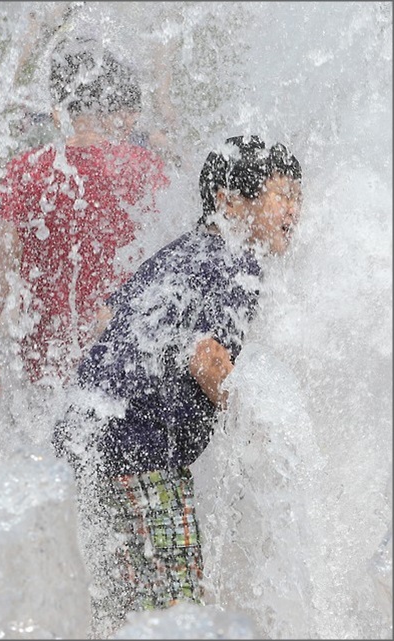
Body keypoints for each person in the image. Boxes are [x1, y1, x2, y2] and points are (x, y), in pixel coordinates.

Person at [53, 134, 303, 635]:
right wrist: (266, 434)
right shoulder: (236, 261)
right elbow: (207, 358)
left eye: (298, 195)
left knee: (121, 614)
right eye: (280, 195)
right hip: (141, 460)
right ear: (228, 201)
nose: (294, 211)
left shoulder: (179, 255)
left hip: (87, 447)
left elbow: (108, 319)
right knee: (178, 617)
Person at [0, 37, 169, 396]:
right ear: (113, 106)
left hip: (41, 365)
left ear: (60, 105)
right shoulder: (145, 170)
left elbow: (0, 264)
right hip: (119, 365)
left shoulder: (26, 170)